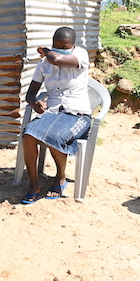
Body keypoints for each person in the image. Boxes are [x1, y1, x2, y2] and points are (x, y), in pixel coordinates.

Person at [20, 26, 92, 204]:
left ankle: (60, 177)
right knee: (28, 134)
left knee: (55, 135)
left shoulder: (81, 55)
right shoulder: (43, 64)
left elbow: (57, 58)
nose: (60, 48)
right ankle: (34, 184)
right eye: (56, 45)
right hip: (52, 113)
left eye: (65, 46)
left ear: (73, 46)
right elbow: (30, 94)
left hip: (78, 114)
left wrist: (45, 51)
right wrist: (35, 102)